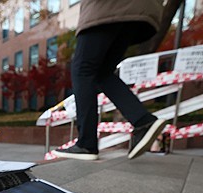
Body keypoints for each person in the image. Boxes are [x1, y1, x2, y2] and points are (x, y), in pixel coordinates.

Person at [53, 0, 166, 161]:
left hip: (106, 8)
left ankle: (86, 143)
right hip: (140, 9)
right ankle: (143, 121)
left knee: (82, 70)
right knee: (101, 72)